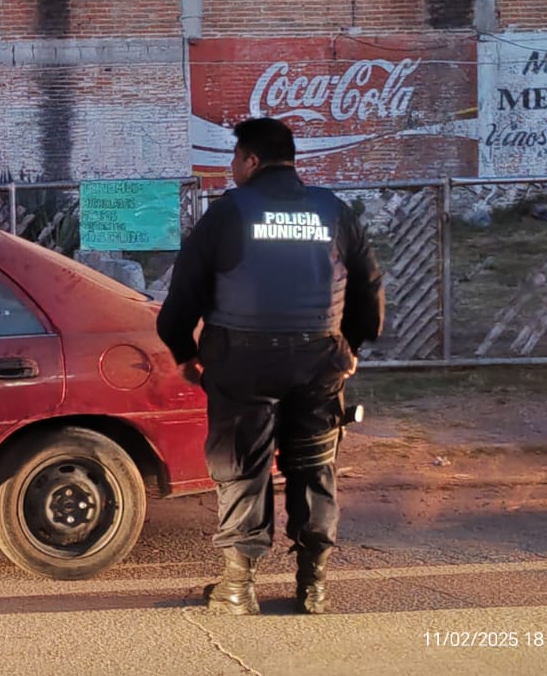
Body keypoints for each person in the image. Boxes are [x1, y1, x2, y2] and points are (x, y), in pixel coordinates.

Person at [156, 117, 384, 616]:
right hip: (318, 362)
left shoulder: (228, 213)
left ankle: (239, 588)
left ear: (252, 160)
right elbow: (367, 288)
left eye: (234, 158)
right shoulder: (333, 210)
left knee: (243, 467)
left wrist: (185, 353)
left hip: (242, 363)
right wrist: (351, 349)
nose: (231, 167)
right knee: (313, 466)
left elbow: (182, 297)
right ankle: (313, 585)